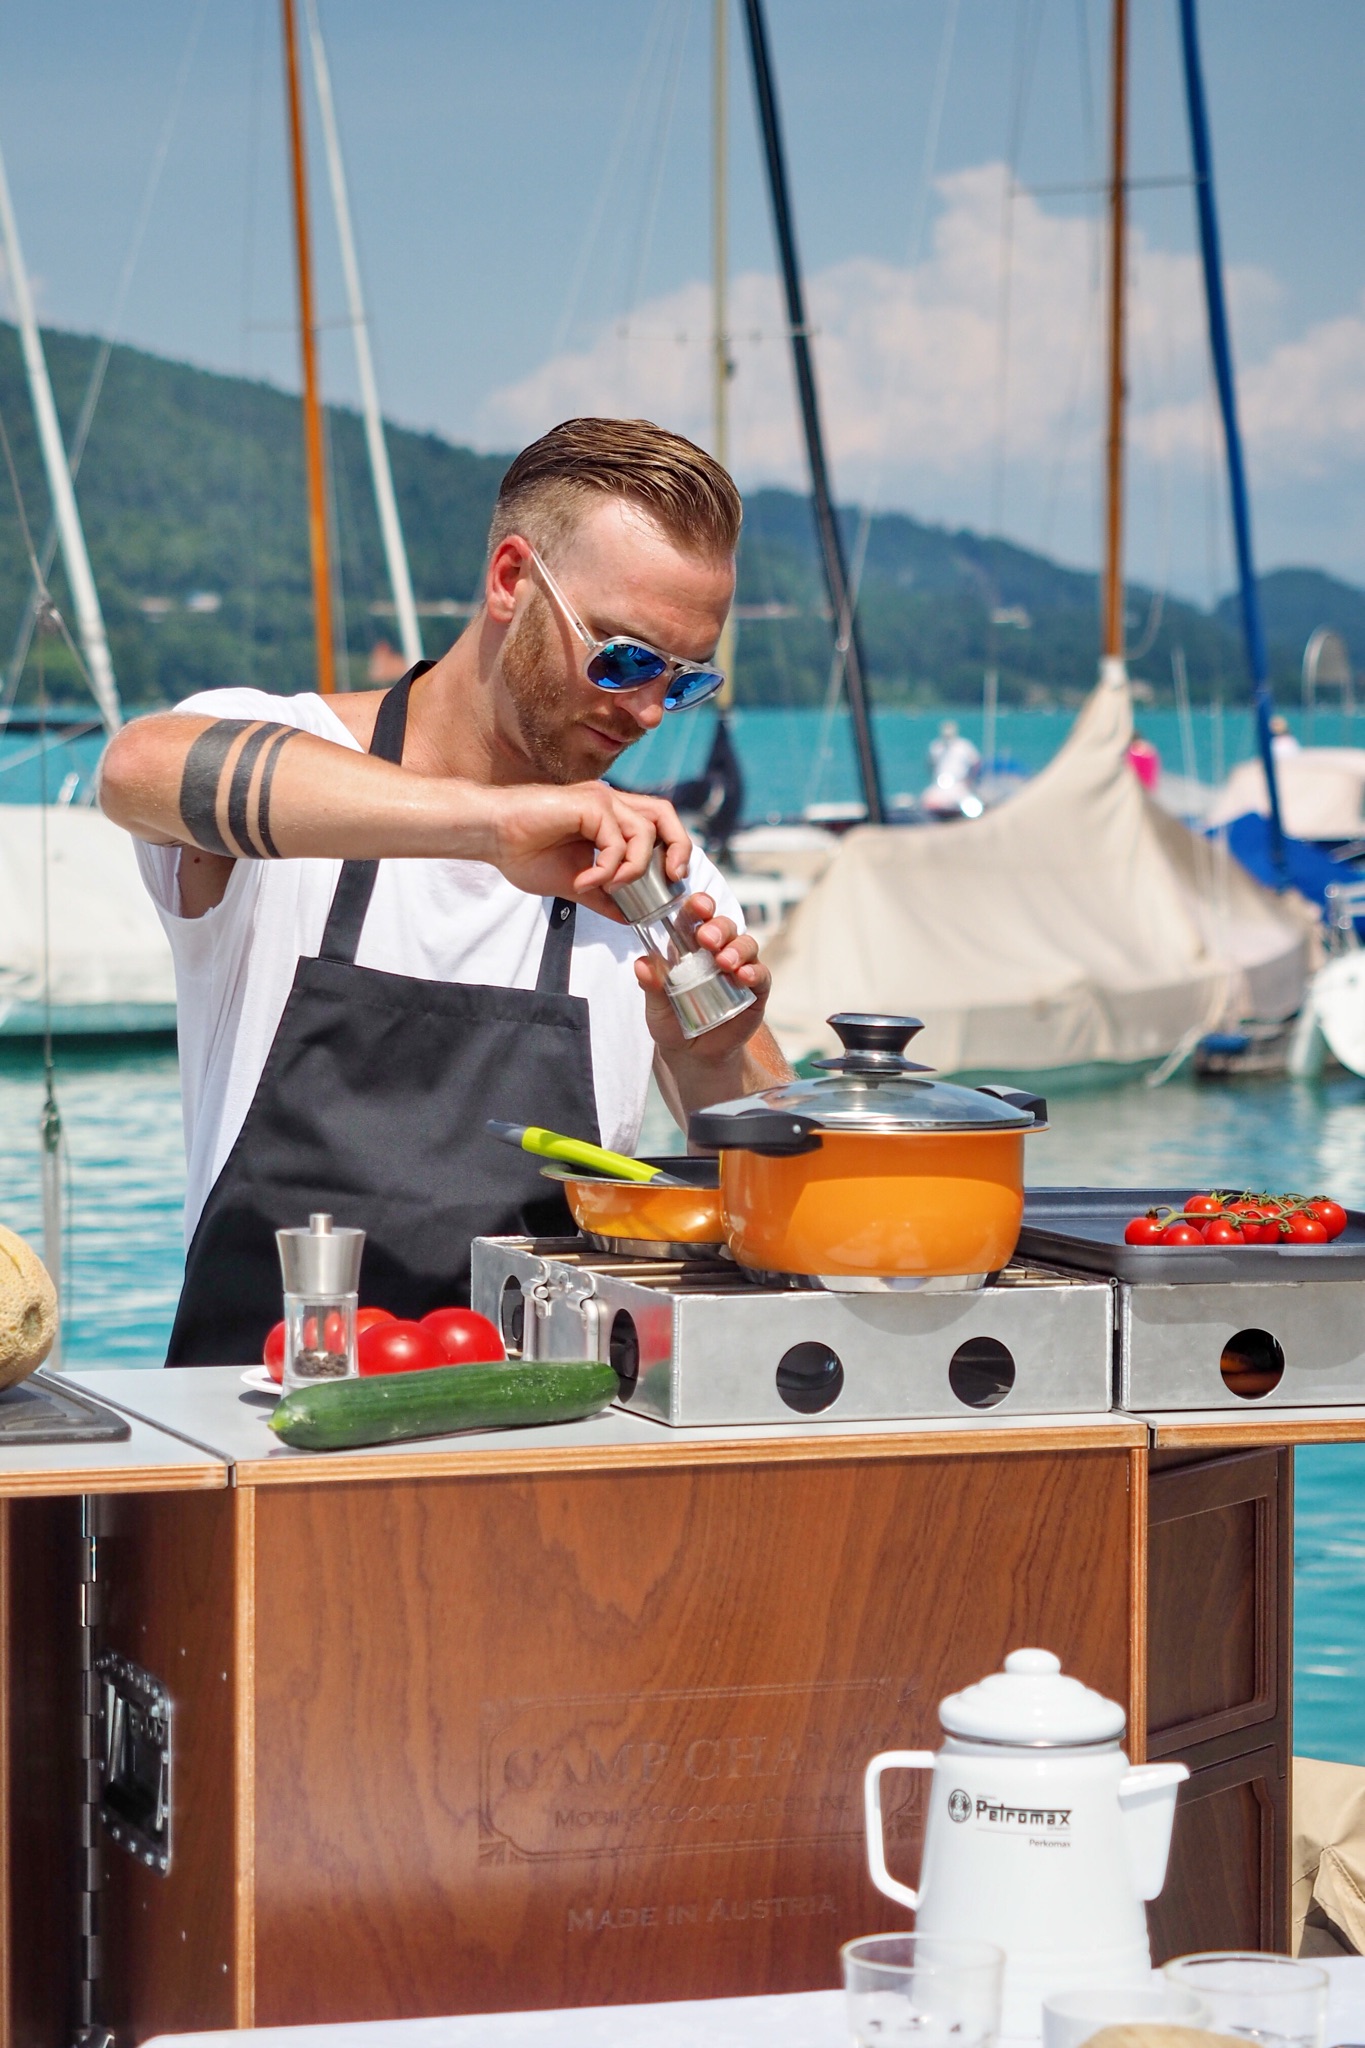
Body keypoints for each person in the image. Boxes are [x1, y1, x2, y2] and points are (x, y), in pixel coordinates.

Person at [101, 416, 789, 1365]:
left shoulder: (652, 880)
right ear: (511, 579)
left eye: (681, 683)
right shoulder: (292, 752)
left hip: (538, 1438)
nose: (641, 711)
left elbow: (782, 1220)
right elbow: (138, 768)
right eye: (624, 658)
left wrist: (714, 1064)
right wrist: (491, 825)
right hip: (255, 1436)